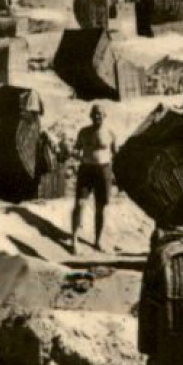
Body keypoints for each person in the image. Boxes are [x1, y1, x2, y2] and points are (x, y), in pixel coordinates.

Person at [70, 105, 118, 254]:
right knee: (79, 204)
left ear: (105, 115)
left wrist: (115, 174)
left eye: (100, 114)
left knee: (101, 207)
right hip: (86, 170)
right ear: (91, 116)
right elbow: (76, 149)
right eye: (94, 114)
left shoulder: (110, 133)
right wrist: (77, 155)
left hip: (103, 170)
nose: (97, 117)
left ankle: (97, 241)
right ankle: (74, 240)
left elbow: (115, 155)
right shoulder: (83, 132)